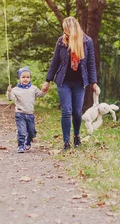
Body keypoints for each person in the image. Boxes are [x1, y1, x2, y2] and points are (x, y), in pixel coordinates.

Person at [42, 17, 100, 150]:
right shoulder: (61, 41)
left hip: (80, 82)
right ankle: (66, 142)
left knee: (77, 112)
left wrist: (94, 83)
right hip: (63, 81)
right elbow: (55, 61)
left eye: (66, 29)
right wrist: (47, 80)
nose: (64, 32)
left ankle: (77, 136)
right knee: (66, 111)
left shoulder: (87, 41)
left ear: (72, 29)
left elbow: (91, 63)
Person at [6, 67, 45, 153]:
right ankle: (20, 145)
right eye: (23, 77)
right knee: (22, 131)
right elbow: (10, 98)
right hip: (20, 114)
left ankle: (28, 141)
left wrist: (44, 90)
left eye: (27, 77)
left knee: (32, 132)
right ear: (19, 78)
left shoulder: (33, 88)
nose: (25, 79)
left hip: (30, 114)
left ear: (30, 78)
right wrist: (9, 91)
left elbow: (40, 94)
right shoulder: (16, 89)